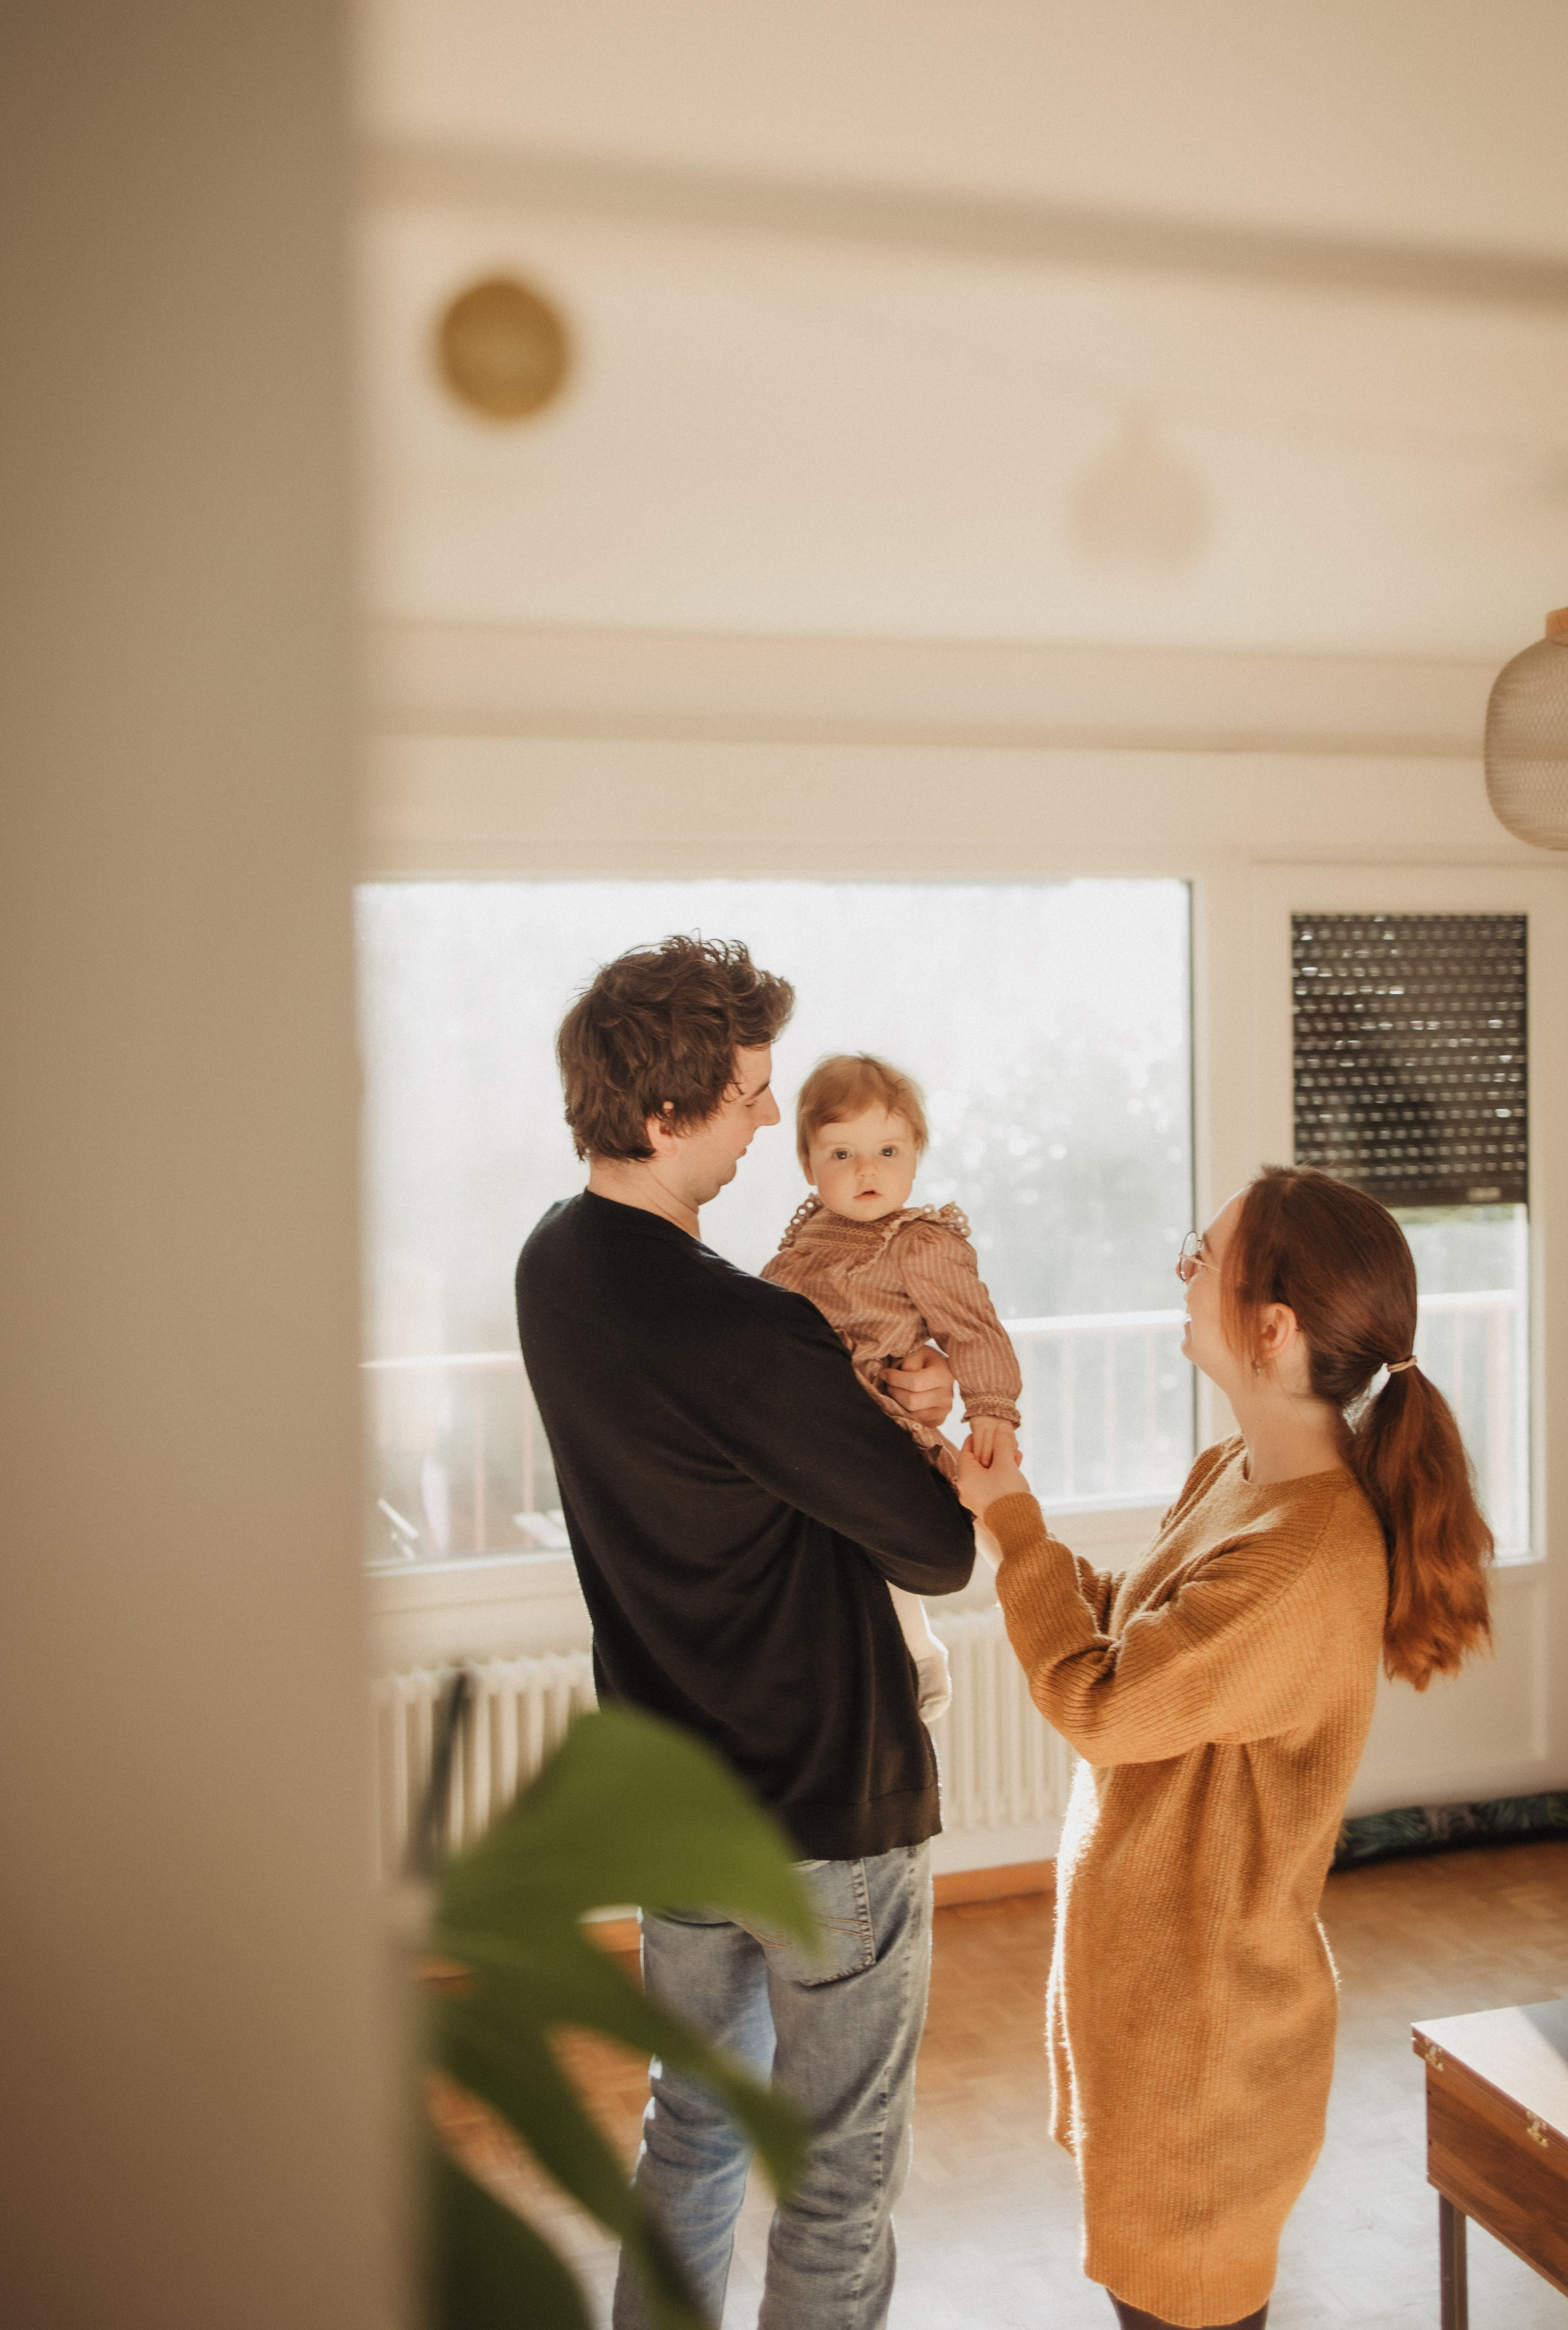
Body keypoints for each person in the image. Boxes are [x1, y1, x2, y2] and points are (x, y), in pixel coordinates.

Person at [514, 936, 976, 2330]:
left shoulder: (552, 1266)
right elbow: (937, 1546)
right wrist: (924, 1420)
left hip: (676, 1803)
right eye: (750, 1094)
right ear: (668, 1116)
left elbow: (717, 1473)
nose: (773, 1120)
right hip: (823, 1809)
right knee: (837, 2181)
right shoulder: (747, 1328)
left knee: (692, 2133)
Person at [951, 1166, 1494, 2330]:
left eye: (1202, 1256)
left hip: (1206, 2048)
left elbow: (1103, 1700)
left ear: (1273, 1327)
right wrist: (1003, 1513)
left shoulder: (1308, 1557)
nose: (1182, 1269)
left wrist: (1014, 1528)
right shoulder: (1235, 1478)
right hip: (1160, 2015)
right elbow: (1139, 1633)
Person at [761, 1051, 1022, 1726]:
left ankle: (929, 1646)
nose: (866, 1171)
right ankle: (899, 1654)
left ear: (915, 1154)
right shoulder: (802, 1244)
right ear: (808, 1165)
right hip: (809, 1429)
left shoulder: (917, 1242)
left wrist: (991, 1409)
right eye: (841, 1154)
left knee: (926, 1532)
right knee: (838, 1558)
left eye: (886, 1150)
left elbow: (972, 1329)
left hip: (874, 1421)